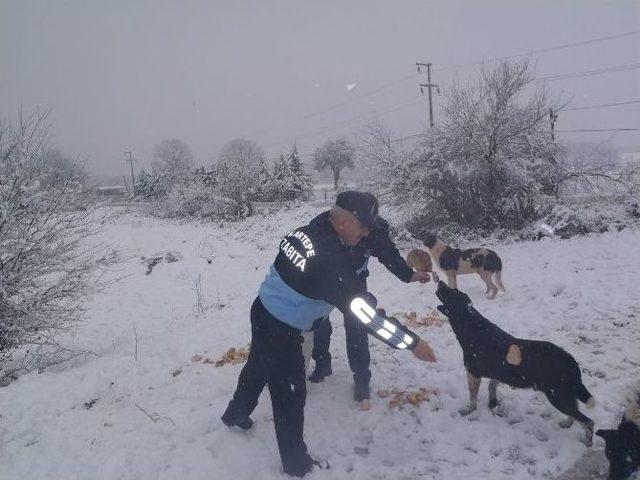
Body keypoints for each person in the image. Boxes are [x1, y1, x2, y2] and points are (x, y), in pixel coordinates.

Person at [221, 190, 437, 477]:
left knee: (259, 364)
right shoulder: (329, 262)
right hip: (284, 327)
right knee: (289, 397)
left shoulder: (320, 224)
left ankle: (236, 413)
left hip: (263, 309)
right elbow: (367, 316)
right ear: (345, 223)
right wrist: (412, 342)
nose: (365, 238)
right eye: (363, 230)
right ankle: (297, 466)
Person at [308, 211, 430, 406]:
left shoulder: (374, 231)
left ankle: (361, 380)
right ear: (344, 221)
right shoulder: (322, 225)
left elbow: (388, 255)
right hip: (326, 281)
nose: (363, 234)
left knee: (357, 328)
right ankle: (322, 363)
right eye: (359, 229)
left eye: (367, 228)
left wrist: (409, 275)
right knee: (318, 323)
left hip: (355, 282)